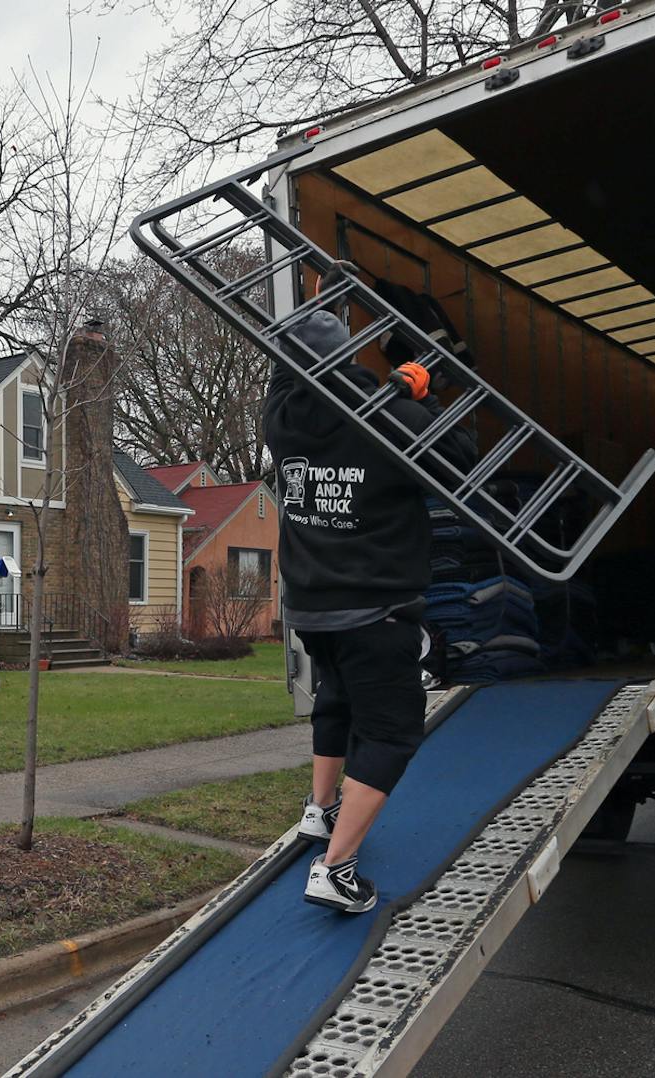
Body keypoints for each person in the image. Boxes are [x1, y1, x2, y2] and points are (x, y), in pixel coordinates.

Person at [266, 306, 477, 913]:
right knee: (390, 730)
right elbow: (462, 456)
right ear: (350, 358)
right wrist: (421, 391)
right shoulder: (393, 421)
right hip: (376, 609)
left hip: (311, 608)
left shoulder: (281, 417)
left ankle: (320, 810)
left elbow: (291, 377)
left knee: (335, 697)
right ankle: (335, 870)